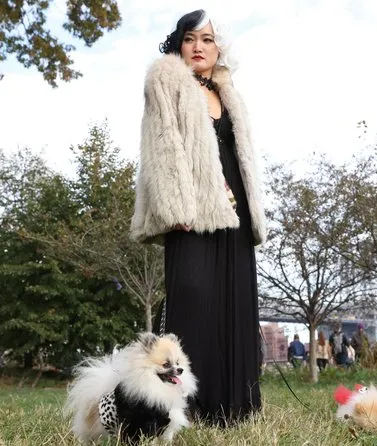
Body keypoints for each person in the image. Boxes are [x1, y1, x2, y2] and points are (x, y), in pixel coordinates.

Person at [130, 10, 266, 426]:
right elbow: (162, 146)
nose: (199, 47)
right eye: (190, 39)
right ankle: (183, 408)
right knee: (192, 298)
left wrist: (249, 212)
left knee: (233, 303)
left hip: (233, 214)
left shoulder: (228, 92)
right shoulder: (166, 80)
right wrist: (176, 209)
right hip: (190, 212)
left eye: (207, 39)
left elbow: (242, 158)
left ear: (218, 46)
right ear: (179, 44)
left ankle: (232, 407)